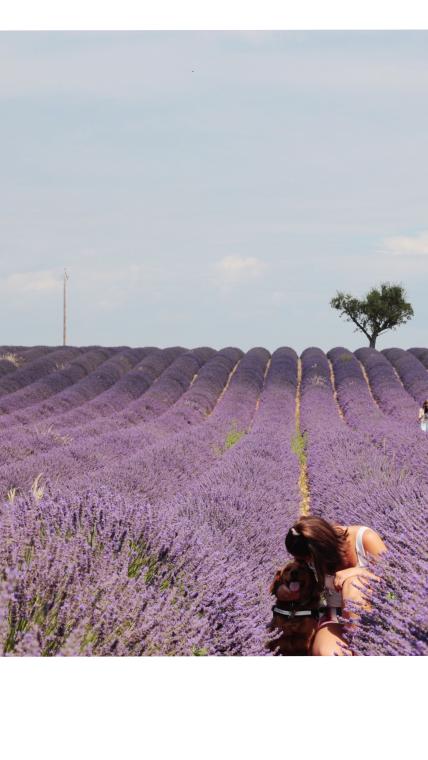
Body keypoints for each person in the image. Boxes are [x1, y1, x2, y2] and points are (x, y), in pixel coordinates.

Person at [284, 516, 387, 656]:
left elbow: (392, 583)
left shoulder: (364, 539)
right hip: (335, 616)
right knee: (327, 653)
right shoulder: (311, 561)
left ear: (321, 548)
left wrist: (357, 571)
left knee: (353, 584)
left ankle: (362, 648)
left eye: (308, 558)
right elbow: (325, 603)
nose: (308, 563)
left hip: (377, 616)